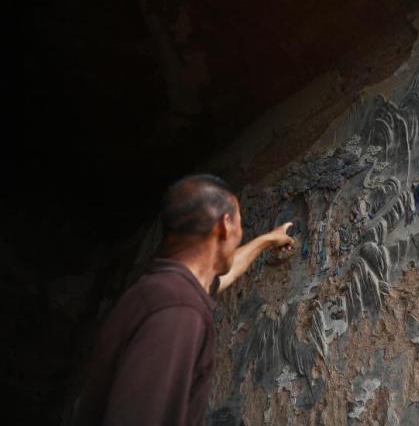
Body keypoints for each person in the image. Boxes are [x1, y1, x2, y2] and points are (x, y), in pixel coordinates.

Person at [71, 174, 294, 425]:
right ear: (225, 225)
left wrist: (266, 240)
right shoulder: (178, 312)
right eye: (240, 224)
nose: (240, 233)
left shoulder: (156, 289)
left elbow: (220, 277)